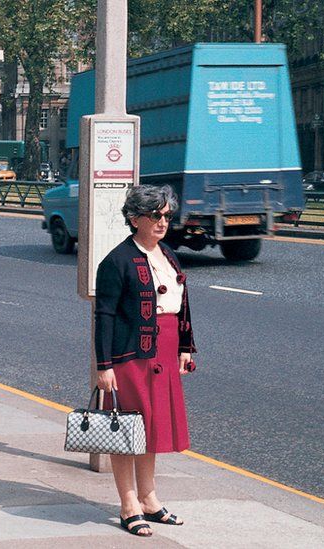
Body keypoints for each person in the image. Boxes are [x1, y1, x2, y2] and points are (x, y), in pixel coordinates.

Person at [94, 184, 197, 537]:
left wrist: (185, 346)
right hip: (130, 357)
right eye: (155, 215)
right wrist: (104, 365)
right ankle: (128, 504)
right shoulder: (117, 260)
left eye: (167, 215)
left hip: (163, 352)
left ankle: (149, 499)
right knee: (127, 430)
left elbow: (181, 304)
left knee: (150, 429)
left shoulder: (168, 254)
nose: (162, 222)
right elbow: (104, 315)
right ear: (135, 218)